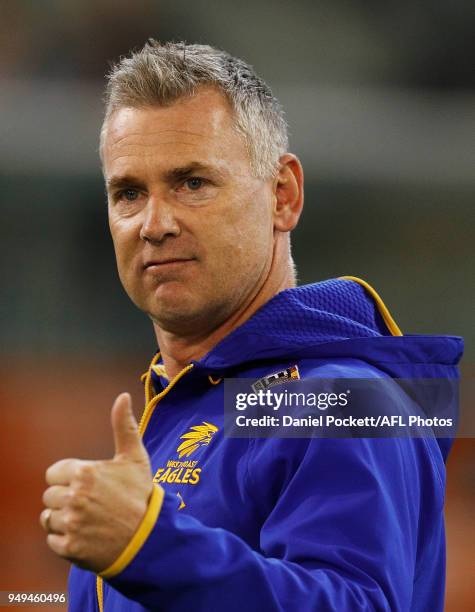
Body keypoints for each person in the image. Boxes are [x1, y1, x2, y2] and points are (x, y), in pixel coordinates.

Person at [40, 41, 463, 612]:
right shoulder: (184, 404)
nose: (154, 224)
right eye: (129, 193)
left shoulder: (336, 401)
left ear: (283, 196)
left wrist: (147, 547)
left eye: (192, 182)